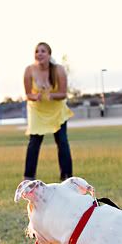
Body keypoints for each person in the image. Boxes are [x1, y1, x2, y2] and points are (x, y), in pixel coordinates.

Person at [23, 42, 75, 181]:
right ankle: (28, 177)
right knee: (34, 142)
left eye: (43, 51)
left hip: (56, 110)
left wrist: (52, 95)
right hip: (37, 111)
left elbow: (63, 93)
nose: (39, 54)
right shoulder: (29, 70)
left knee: (62, 141)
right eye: (37, 51)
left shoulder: (58, 70)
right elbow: (28, 94)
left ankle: (67, 176)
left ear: (49, 54)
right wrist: (36, 96)